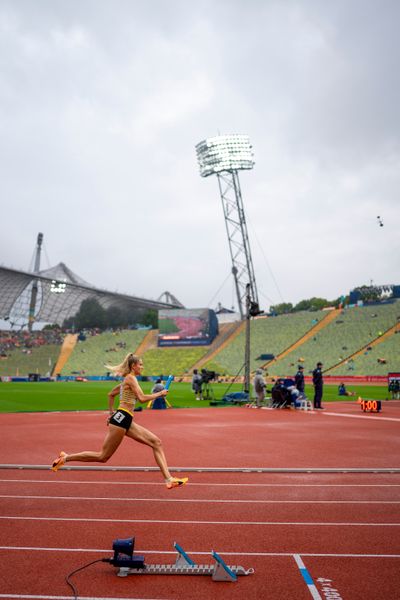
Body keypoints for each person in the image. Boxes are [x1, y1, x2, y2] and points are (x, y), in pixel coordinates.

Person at [51, 353, 188, 490]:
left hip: (125, 418)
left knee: (156, 442)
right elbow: (141, 398)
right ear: (133, 366)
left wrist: (111, 413)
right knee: (102, 456)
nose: (142, 366)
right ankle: (65, 458)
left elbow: (111, 394)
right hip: (122, 419)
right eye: (140, 364)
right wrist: (160, 394)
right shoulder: (130, 378)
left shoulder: (126, 381)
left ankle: (169, 480)